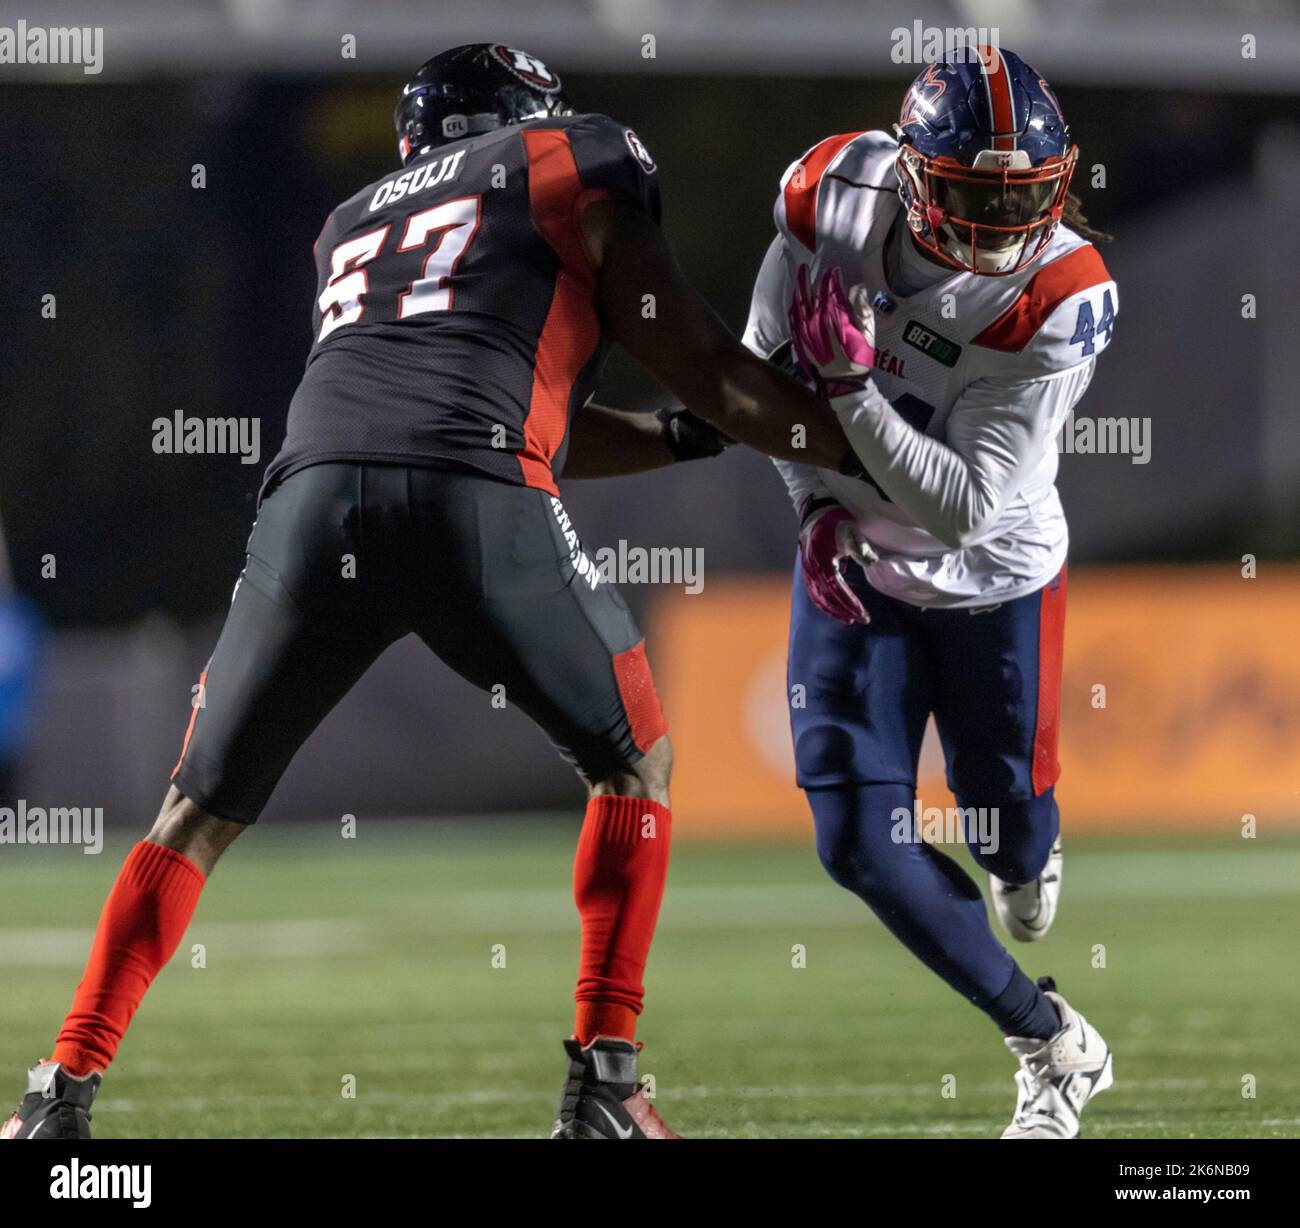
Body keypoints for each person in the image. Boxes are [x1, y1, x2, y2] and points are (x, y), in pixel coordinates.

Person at [2, 42, 858, 1142]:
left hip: (311, 501)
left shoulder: (350, 221)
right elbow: (705, 366)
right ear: (521, 115)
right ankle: (605, 1078)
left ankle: (58, 1092)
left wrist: (679, 438)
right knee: (633, 755)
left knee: (194, 814)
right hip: (470, 488)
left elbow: (483, 399)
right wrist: (843, 446)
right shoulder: (575, 156)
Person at [743, 45, 1118, 1138]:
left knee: (1001, 823)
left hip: (990, 578)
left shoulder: (1056, 293)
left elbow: (960, 506)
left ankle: (1024, 846)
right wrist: (814, 505)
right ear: (911, 175)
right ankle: (1050, 1042)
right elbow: (769, 376)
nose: (1003, 224)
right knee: (856, 842)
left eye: (1023, 197)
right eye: (972, 194)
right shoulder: (833, 200)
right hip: (859, 561)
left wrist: (853, 391)